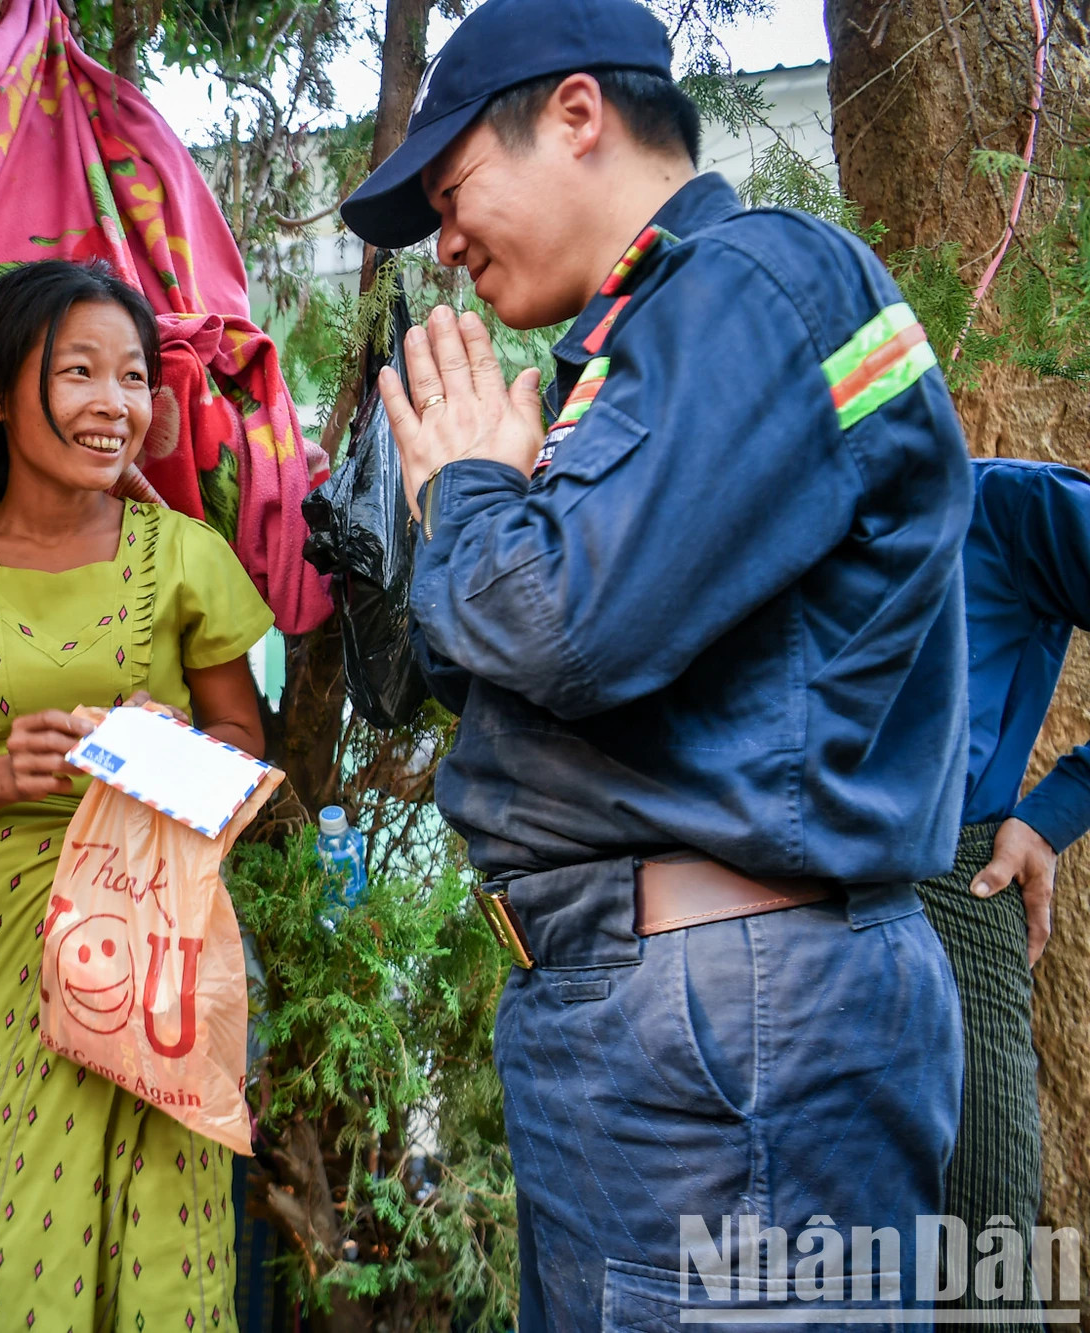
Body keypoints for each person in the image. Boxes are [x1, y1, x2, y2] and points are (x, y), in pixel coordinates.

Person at [337, 0, 972, 1323]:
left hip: (727, 1015)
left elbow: (558, 628)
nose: (444, 246)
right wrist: (449, 515)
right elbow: (493, 669)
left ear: (577, 114)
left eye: (452, 192)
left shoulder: (755, 284)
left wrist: (466, 490)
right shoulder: (628, 361)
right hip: (663, 1013)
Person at [0, 259, 272, 1331]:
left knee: (169, 1267)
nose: (114, 403)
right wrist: (0, 774)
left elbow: (245, 755)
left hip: (156, 939)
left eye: (132, 377)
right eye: (78, 371)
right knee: (21, 1265)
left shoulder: (186, 557)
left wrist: (170, 751)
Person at [917, 458, 1090, 1324]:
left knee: (979, 1284)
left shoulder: (1007, 506)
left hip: (954, 898)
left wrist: (1054, 811)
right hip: (771, 922)